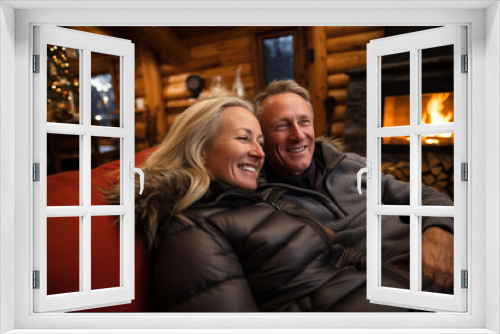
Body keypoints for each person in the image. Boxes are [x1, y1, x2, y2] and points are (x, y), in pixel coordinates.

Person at [114, 96, 410, 312]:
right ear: (200, 151)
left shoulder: (255, 201)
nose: (259, 153)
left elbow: (338, 257)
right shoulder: (191, 230)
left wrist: (409, 285)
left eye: (259, 141)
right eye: (244, 139)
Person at [254, 80, 455, 290]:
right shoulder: (270, 203)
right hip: (397, 280)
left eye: (304, 122)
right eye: (282, 126)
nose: (298, 135)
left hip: (436, 250)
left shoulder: (349, 164)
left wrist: (438, 230)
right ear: (262, 139)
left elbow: (424, 195)